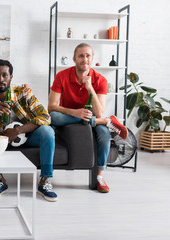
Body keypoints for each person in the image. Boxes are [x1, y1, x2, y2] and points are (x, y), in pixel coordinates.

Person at [48, 43, 128, 193]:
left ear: (92, 59)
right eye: (81, 56)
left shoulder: (100, 80)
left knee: (104, 133)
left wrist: (90, 88)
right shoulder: (62, 76)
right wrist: (76, 112)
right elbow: (51, 107)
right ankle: (106, 121)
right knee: (53, 117)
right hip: (68, 117)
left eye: (88, 56)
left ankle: (99, 177)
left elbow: (98, 112)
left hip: (92, 117)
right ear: (74, 59)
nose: (84, 59)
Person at [0, 59, 58, 202]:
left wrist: (19, 130)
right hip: (1, 139)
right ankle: (0, 180)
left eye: (5, 75)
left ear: (11, 77)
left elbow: (45, 116)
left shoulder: (23, 92)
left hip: (27, 136)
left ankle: (45, 181)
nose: (1, 79)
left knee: (48, 131)